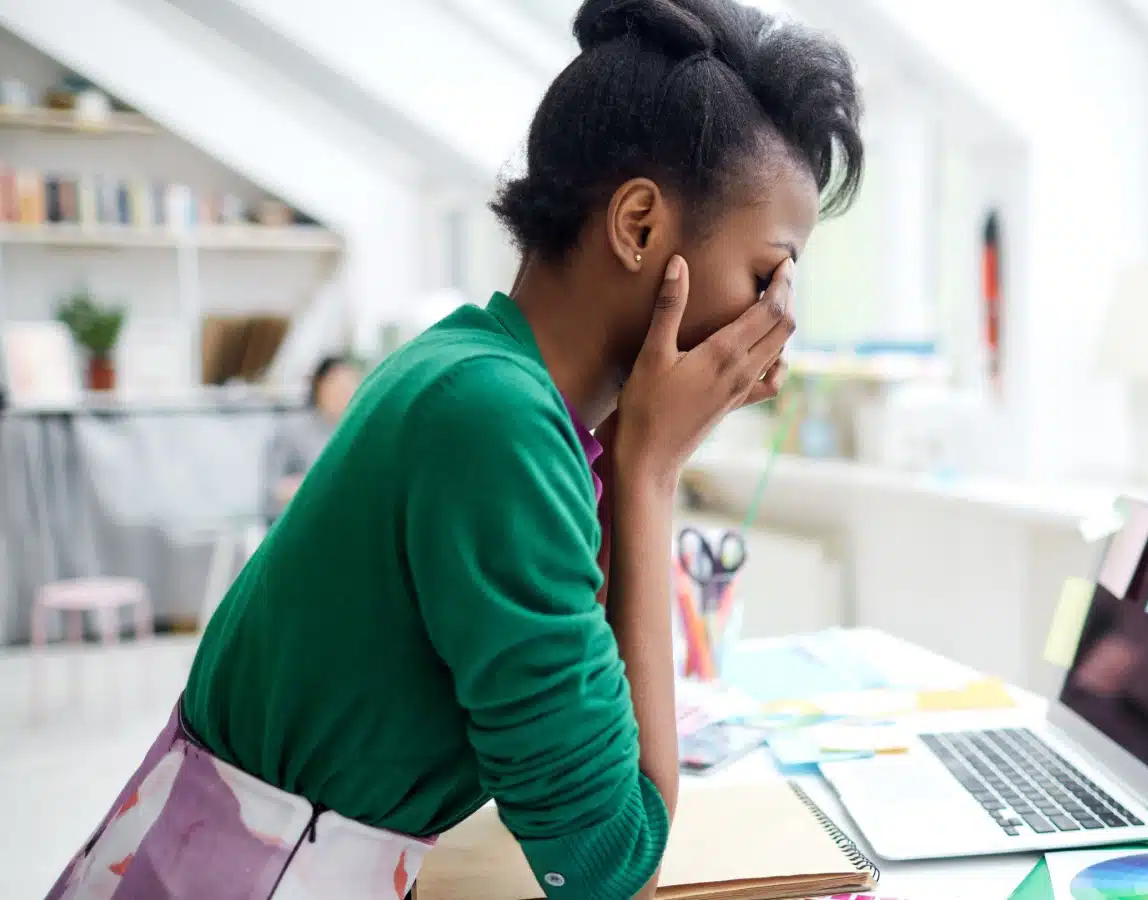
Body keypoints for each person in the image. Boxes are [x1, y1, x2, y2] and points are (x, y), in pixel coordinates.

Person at [44, 0, 862, 898]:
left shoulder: (470, 369)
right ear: (638, 226)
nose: (777, 319)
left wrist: (633, 444)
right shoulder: (494, 424)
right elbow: (608, 862)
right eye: (766, 275)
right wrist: (654, 468)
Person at [261, 354, 360, 521]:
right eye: (338, 386)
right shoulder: (292, 430)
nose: (345, 393)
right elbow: (271, 495)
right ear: (319, 386)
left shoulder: (356, 432)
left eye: (350, 386)